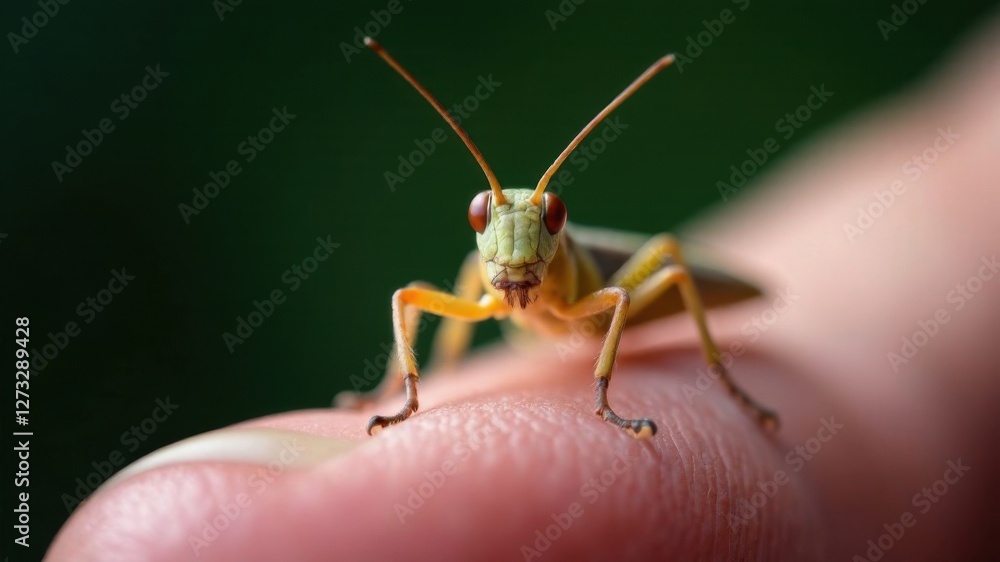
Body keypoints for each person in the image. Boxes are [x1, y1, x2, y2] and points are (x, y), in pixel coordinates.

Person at [46, 17, 1000, 562]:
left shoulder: (588, 283)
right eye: (489, 221)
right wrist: (400, 391)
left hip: (659, 294)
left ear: (553, 222)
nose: (512, 247)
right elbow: (441, 292)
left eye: (539, 221)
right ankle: (405, 394)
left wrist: (605, 397)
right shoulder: (489, 260)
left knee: (658, 268)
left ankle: (705, 384)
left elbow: (614, 301)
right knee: (418, 295)